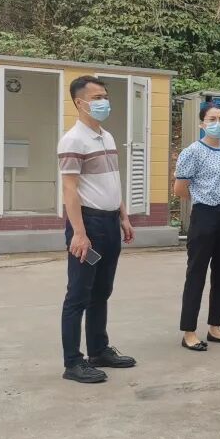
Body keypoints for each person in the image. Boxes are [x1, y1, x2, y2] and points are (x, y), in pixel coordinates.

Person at [57, 75, 137, 384]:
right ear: (80, 103)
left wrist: (123, 216)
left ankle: (99, 350)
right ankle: (72, 362)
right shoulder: (73, 140)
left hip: (110, 223)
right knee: (79, 294)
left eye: (105, 96)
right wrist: (79, 233)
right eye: (97, 97)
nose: (104, 102)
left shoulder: (107, 137)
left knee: (102, 290)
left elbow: (112, 181)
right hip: (87, 225)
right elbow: (69, 189)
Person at [173, 102, 220, 351]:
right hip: (204, 214)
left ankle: (215, 327)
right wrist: (203, 197)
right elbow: (179, 188)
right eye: (212, 119)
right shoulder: (192, 152)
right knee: (196, 273)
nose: (218, 123)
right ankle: (189, 332)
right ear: (202, 123)